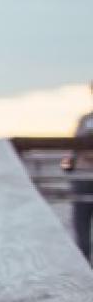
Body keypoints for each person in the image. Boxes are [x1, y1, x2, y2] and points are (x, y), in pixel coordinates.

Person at [65, 82, 93, 260]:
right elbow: (75, 148)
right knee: (81, 224)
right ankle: (84, 263)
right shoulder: (85, 119)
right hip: (83, 177)